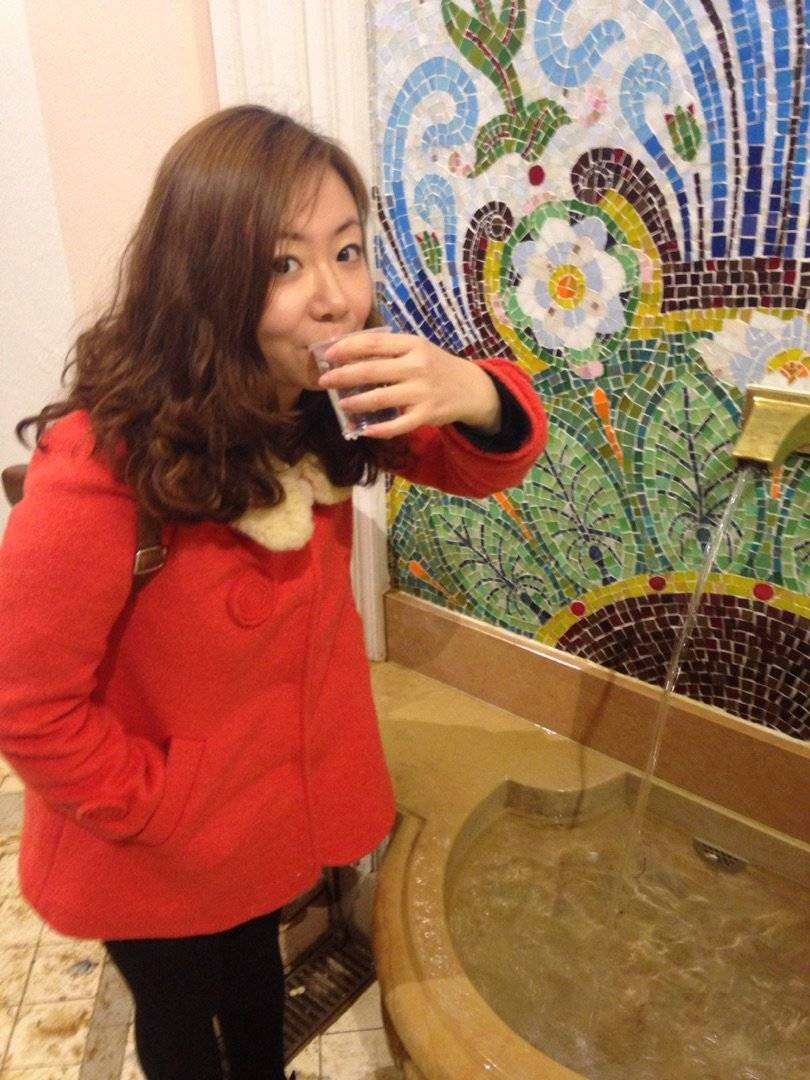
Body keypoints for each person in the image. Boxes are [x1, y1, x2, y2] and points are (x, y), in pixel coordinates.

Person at [0, 105, 547, 1079]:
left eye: (347, 251)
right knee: (180, 1017)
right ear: (205, 280)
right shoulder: (104, 460)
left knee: (255, 979)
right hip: (152, 842)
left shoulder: (323, 406)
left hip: (260, 821)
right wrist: (163, 808)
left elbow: (478, 462)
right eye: (284, 263)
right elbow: (25, 703)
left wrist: (474, 390)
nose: (335, 298)